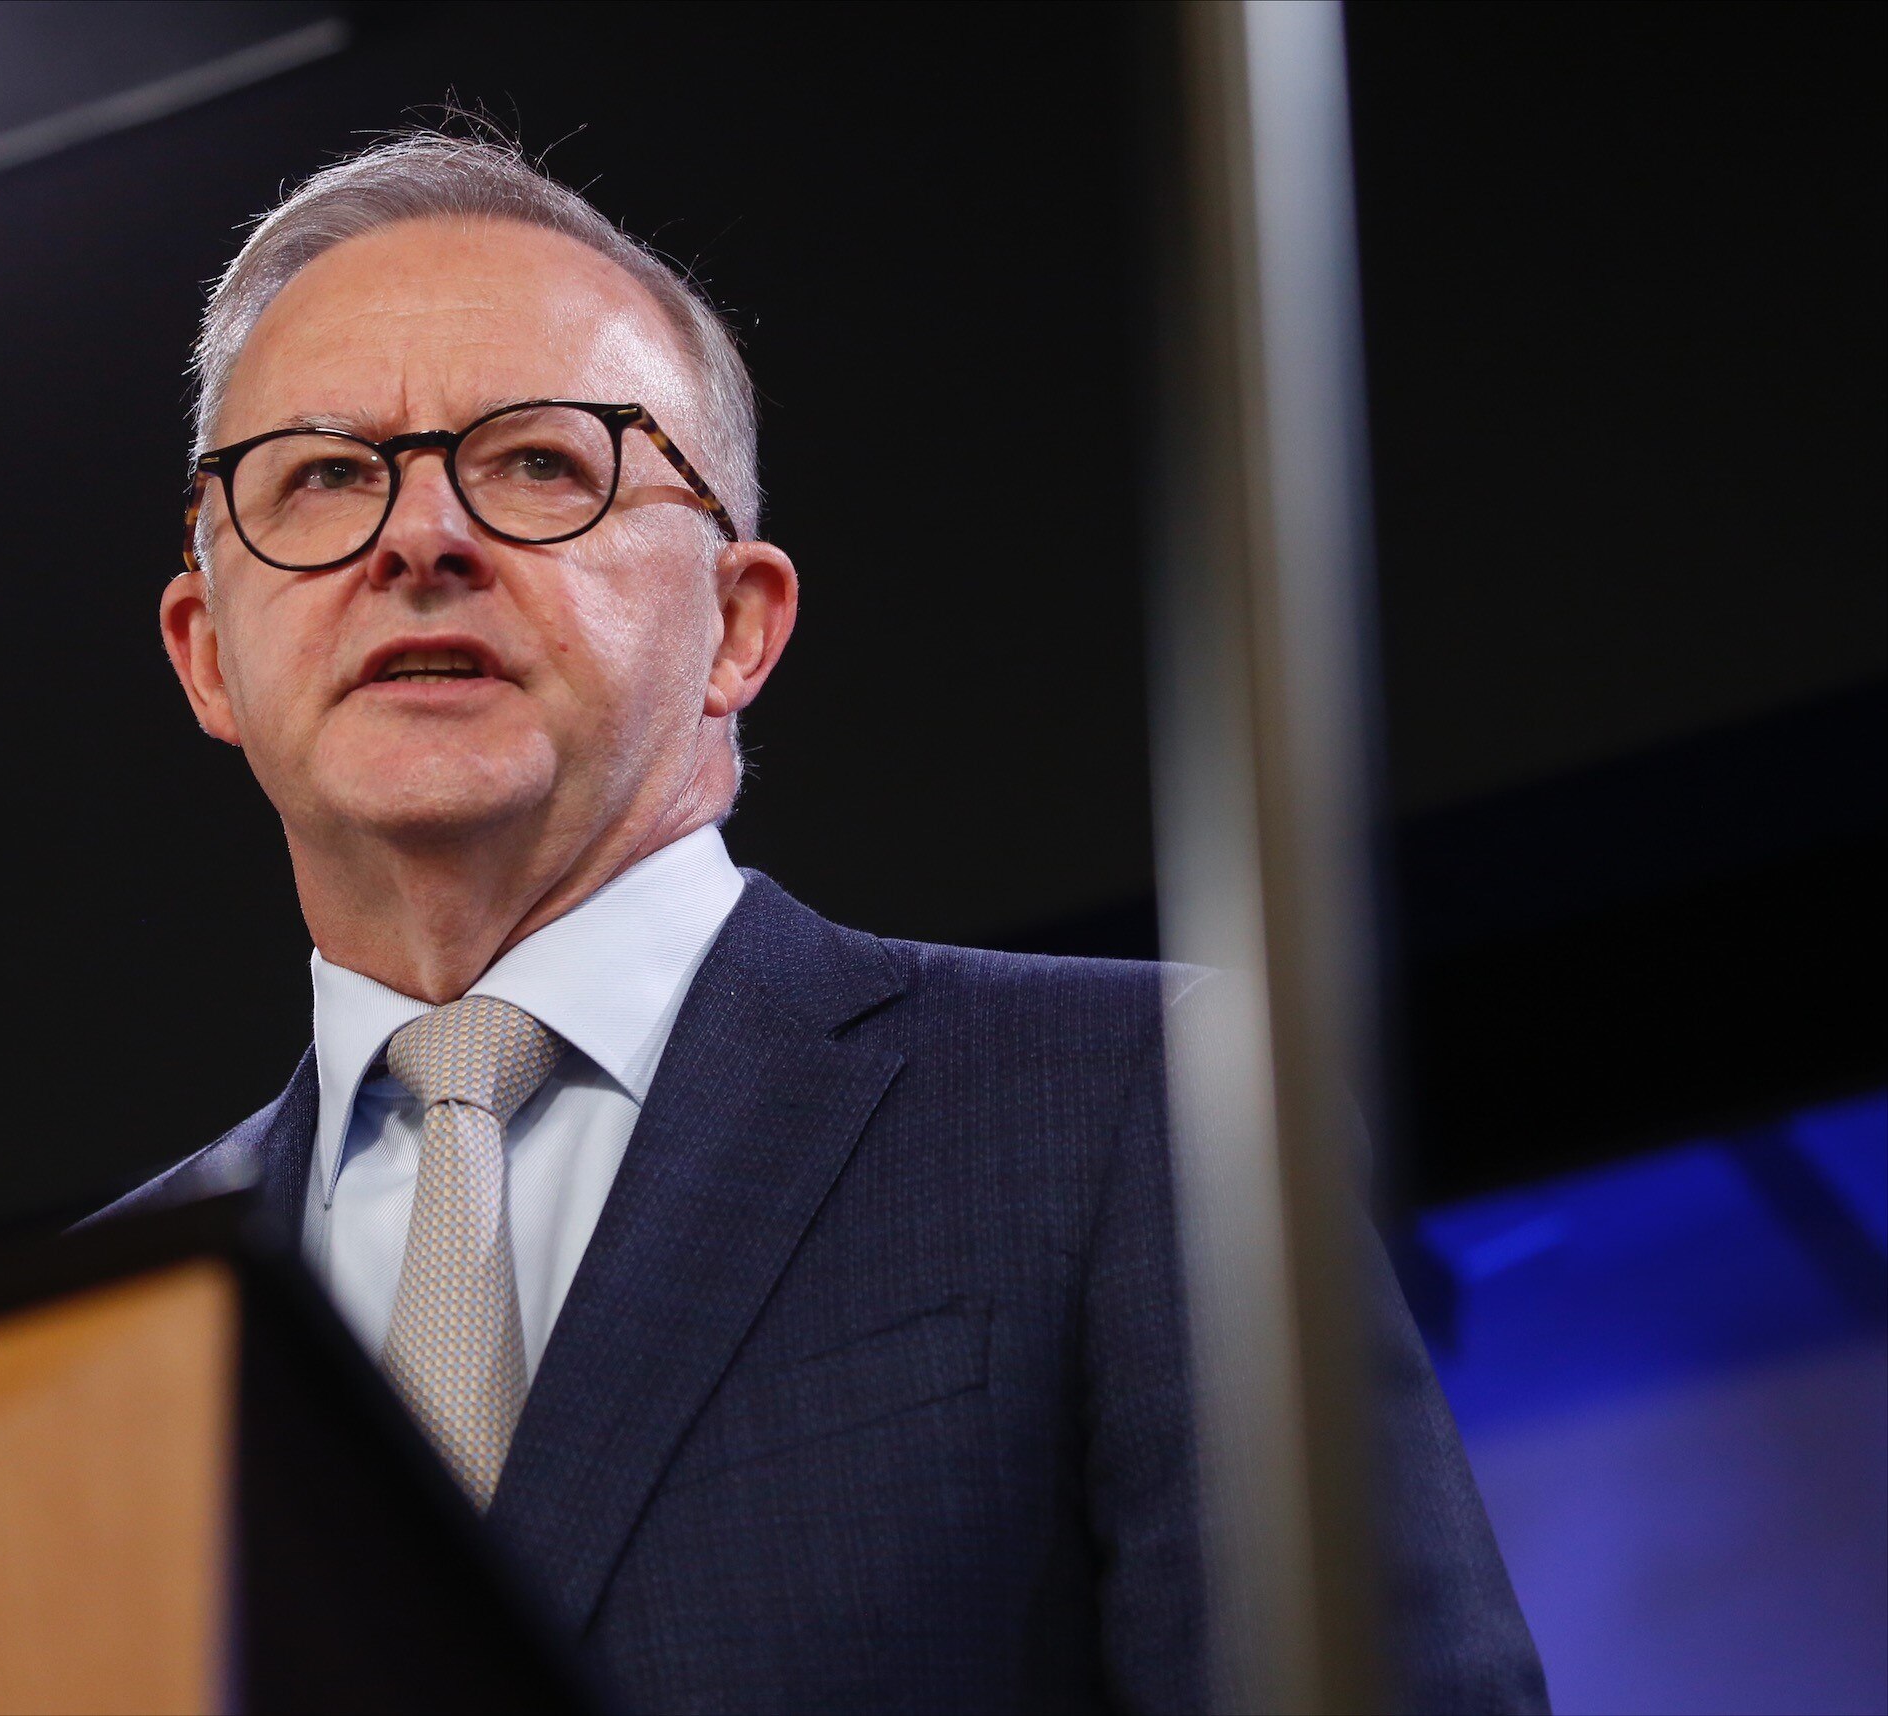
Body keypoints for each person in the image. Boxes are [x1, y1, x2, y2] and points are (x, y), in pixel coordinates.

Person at [92, 131, 1545, 1715]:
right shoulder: (94, 1341)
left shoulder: (1134, 1099)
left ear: (736, 621)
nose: (417, 538)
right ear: (206, 654)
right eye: (321, 475)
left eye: (537, 462)